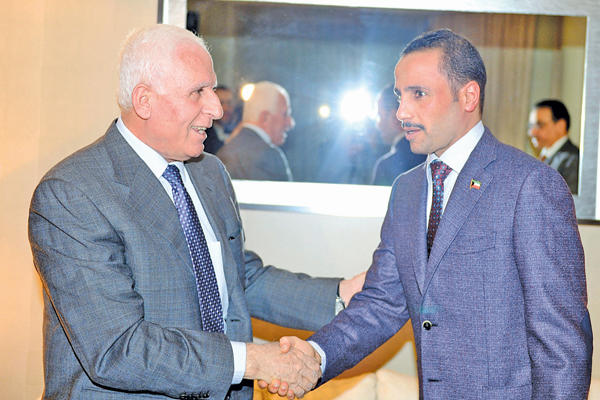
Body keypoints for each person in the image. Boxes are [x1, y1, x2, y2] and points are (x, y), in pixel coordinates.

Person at [28, 24, 364, 400]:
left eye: (213, 90)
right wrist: (253, 361)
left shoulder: (209, 172)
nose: (217, 108)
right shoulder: (72, 193)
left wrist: (341, 294)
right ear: (144, 101)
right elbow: (118, 349)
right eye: (198, 92)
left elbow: (238, 280)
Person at [268, 29, 593, 399]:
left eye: (418, 94)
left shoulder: (529, 184)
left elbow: (561, 343)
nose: (402, 112)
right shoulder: (406, 191)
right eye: (399, 96)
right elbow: (381, 302)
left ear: (468, 95)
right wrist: (316, 356)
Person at [217, 81, 294, 181]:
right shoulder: (270, 156)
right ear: (265, 117)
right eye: (285, 114)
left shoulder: (223, 153)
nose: (291, 123)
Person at [371, 83, 426, 185]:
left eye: (379, 116)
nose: (378, 125)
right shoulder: (433, 158)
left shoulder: (386, 166)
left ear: (395, 116)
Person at [528, 99, 579, 193]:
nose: (532, 132)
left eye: (539, 125)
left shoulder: (573, 161)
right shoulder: (543, 157)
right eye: (531, 126)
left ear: (560, 126)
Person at [203, 85, 239, 154]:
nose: (226, 108)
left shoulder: (236, 128)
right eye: (221, 103)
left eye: (229, 103)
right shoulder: (204, 134)